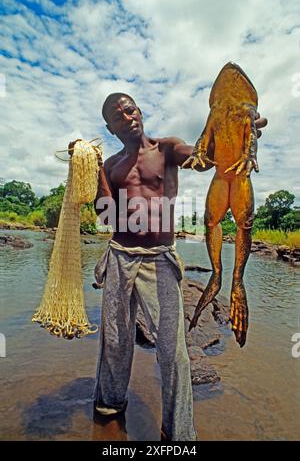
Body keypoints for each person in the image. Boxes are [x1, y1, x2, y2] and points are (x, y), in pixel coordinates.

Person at [69, 93, 267, 441]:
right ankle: (109, 411)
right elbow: (105, 215)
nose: (126, 117)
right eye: (117, 117)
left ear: (139, 112)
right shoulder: (113, 165)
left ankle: (179, 434)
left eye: (129, 109)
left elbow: (206, 159)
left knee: (172, 351)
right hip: (119, 256)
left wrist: (240, 132)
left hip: (160, 258)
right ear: (110, 128)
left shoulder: (168, 149)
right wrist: (92, 165)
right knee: (114, 342)